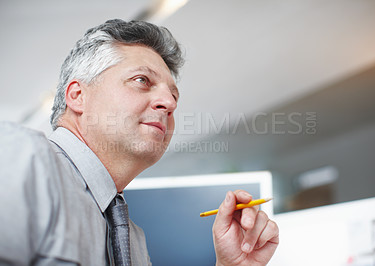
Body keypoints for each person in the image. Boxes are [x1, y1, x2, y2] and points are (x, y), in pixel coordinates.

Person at [0, 19, 278, 265]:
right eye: (142, 80)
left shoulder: (133, 239)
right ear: (77, 96)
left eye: (174, 97)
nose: (168, 103)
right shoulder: (19, 158)